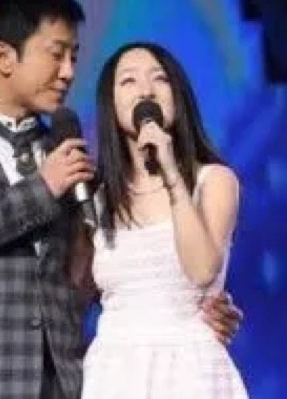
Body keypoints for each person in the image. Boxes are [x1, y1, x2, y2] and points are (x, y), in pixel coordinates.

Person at [0, 0, 242, 397]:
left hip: (63, 384)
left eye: (74, 57)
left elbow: (93, 278)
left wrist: (195, 309)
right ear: (4, 57)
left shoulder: (65, 153)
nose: (68, 72)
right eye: (56, 54)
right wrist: (41, 188)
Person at [80, 42, 248, 398]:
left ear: (178, 95)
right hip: (114, 374)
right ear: (110, 103)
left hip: (191, 372)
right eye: (128, 81)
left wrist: (171, 170)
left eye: (159, 79)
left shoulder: (214, 181)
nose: (146, 90)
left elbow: (202, 271)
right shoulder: (95, 199)